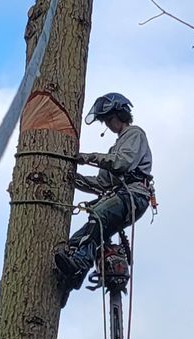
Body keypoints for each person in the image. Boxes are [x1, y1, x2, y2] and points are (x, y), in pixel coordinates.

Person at [54, 91, 153, 305]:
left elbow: (122, 163)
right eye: (106, 121)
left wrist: (90, 157)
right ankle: (70, 280)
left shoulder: (135, 134)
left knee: (97, 215)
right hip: (121, 195)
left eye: (110, 119)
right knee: (79, 238)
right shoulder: (114, 147)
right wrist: (73, 178)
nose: (108, 125)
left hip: (134, 195)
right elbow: (102, 184)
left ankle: (78, 264)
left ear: (120, 114)